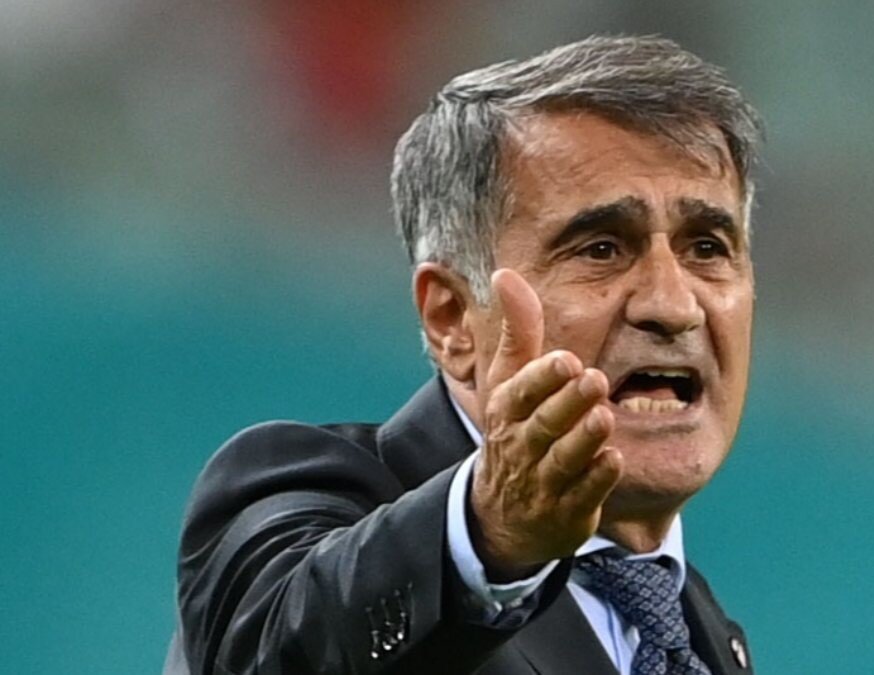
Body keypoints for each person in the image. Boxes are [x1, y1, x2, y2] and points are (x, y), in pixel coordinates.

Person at [165, 35, 763, 675]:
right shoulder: (310, 500)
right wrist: (491, 533)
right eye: (601, 249)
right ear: (451, 318)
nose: (673, 305)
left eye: (707, 247)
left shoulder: (694, 633)